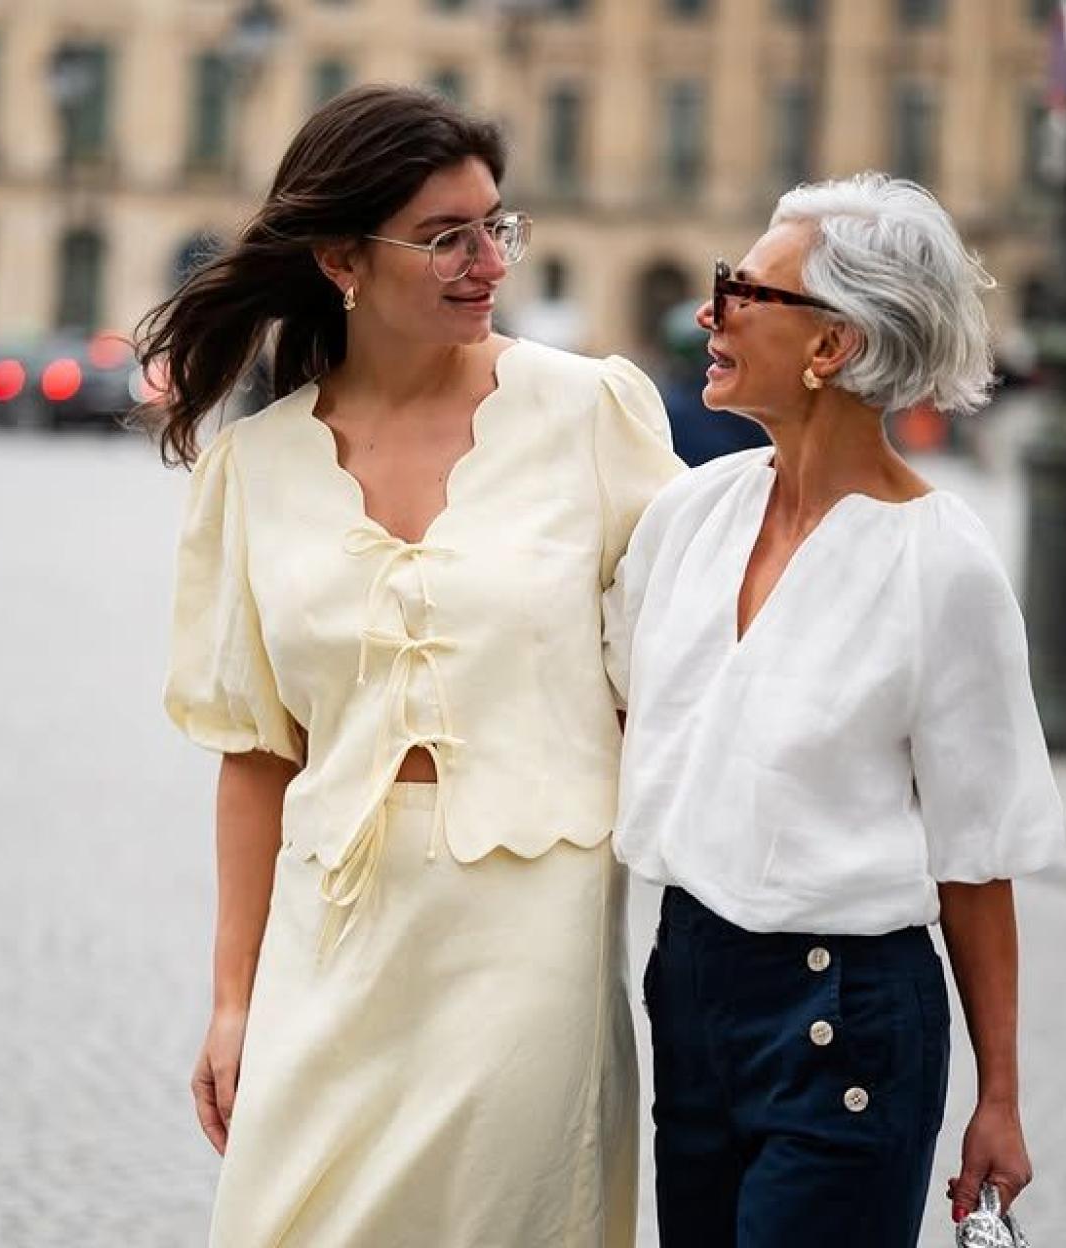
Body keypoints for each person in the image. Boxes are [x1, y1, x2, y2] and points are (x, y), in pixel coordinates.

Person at [139, 85, 681, 1248]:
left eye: (498, 226)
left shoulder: (592, 412)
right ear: (342, 255)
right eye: (447, 236)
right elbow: (253, 754)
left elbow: (681, 674)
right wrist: (234, 1000)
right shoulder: (255, 470)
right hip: (329, 930)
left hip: (534, 927)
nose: (489, 261)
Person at [603, 173, 1065, 1248]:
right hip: (690, 989)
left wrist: (999, 1096)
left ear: (836, 345)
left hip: (845, 1020)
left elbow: (975, 851)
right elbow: (616, 711)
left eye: (745, 291)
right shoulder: (692, 515)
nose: (711, 314)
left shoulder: (940, 566)